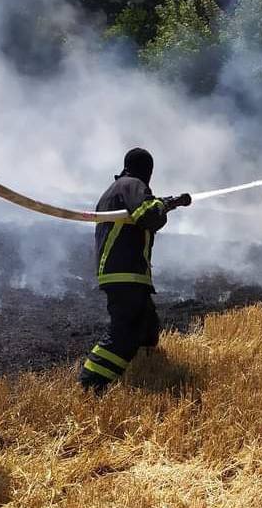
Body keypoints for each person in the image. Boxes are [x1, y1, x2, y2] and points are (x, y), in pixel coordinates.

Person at [78, 147, 191, 391]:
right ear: (146, 171)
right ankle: (92, 381)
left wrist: (171, 203)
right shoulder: (132, 184)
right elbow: (148, 216)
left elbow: (140, 213)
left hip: (123, 272)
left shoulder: (116, 189)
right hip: (125, 271)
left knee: (147, 325)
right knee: (125, 331)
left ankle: (144, 374)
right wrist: (164, 205)